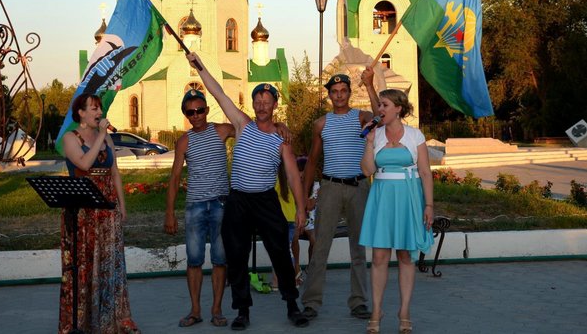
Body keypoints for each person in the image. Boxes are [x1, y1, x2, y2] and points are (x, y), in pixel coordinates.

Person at [186, 51, 309, 330]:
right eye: (258, 100)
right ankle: (242, 310)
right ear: (253, 103)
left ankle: (292, 304)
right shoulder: (242, 124)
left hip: (265, 201)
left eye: (268, 101)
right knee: (237, 255)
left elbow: (292, 175)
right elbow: (218, 94)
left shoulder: (281, 139)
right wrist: (200, 66)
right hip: (238, 200)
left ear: (275, 105)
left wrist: (301, 209)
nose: (262, 105)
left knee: (280, 253)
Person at [301, 69, 379, 321]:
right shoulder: (321, 123)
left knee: (358, 247)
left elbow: (381, 115)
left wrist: (369, 85)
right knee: (321, 245)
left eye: (343, 91)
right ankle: (311, 302)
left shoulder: (361, 118)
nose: (339, 95)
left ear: (349, 92)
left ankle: (358, 301)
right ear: (329, 96)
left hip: (358, 186)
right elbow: (312, 161)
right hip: (330, 187)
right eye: (334, 92)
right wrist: (304, 197)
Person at [59, 93, 140, 333]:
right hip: (82, 211)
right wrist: (101, 136)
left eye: (99, 108)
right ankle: (84, 322)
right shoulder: (70, 138)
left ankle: (113, 319)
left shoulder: (106, 139)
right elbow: (84, 164)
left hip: (108, 208)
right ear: (80, 113)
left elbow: (114, 172)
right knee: (85, 264)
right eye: (93, 109)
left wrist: (122, 207)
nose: (98, 112)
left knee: (110, 262)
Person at [359, 89, 434, 334]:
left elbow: (425, 172)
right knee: (379, 257)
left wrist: (429, 205)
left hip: (408, 198)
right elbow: (367, 170)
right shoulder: (376, 135)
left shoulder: (415, 135)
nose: (380, 110)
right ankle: (376, 311)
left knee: (404, 256)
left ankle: (404, 311)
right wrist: (369, 143)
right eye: (379, 105)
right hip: (382, 198)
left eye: (385, 105)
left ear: (398, 108)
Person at [164, 89, 234, 328]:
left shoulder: (222, 131)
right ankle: (195, 310)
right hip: (194, 206)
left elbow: (249, 127)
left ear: (207, 109)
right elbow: (174, 178)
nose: (196, 116)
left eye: (200, 110)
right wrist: (170, 213)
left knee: (220, 259)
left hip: (221, 205)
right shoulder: (184, 141)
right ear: (186, 114)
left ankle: (217, 309)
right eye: (190, 112)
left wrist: (277, 124)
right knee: (194, 260)